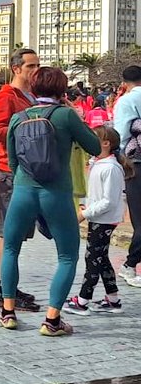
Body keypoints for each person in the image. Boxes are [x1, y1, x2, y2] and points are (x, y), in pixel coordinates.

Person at [1, 67, 101, 335]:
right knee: (67, 255)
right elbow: (94, 146)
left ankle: (8, 312)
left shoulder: (18, 117)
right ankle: (52, 320)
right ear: (62, 90)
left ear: (33, 89)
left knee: (11, 248)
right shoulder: (65, 115)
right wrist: (75, 116)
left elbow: (12, 162)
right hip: (56, 192)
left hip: (23, 190)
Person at [0, 48, 41, 310]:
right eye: (30, 66)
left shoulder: (30, 96)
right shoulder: (5, 97)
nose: (35, 70)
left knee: (15, 234)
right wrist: (30, 126)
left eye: (37, 65)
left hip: (28, 169)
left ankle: (6, 283)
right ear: (16, 68)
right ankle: (4, 288)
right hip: (11, 170)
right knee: (9, 233)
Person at [65, 125, 130, 315]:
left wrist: (85, 214)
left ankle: (83, 300)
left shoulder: (110, 168)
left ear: (106, 143)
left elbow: (108, 201)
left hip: (105, 219)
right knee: (101, 258)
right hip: (99, 217)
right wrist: (86, 206)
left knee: (92, 258)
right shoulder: (98, 163)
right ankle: (113, 299)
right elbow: (96, 193)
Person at [113, 65, 141, 287]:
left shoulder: (126, 101)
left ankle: (129, 264)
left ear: (124, 82)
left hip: (135, 163)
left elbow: (121, 133)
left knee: (139, 218)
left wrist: (117, 157)